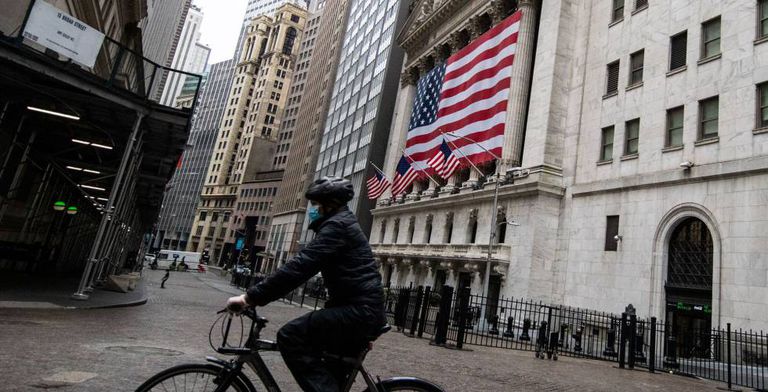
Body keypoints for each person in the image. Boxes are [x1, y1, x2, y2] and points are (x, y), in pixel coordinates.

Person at [226, 177, 386, 392]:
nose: (314, 209)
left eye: (317, 205)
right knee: (331, 367)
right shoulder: (339, 223)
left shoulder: (337, 226)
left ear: (331, 204)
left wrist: (250, 298)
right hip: (358, 311)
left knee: (290, 336)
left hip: (359, 312)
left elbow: (300, 268)